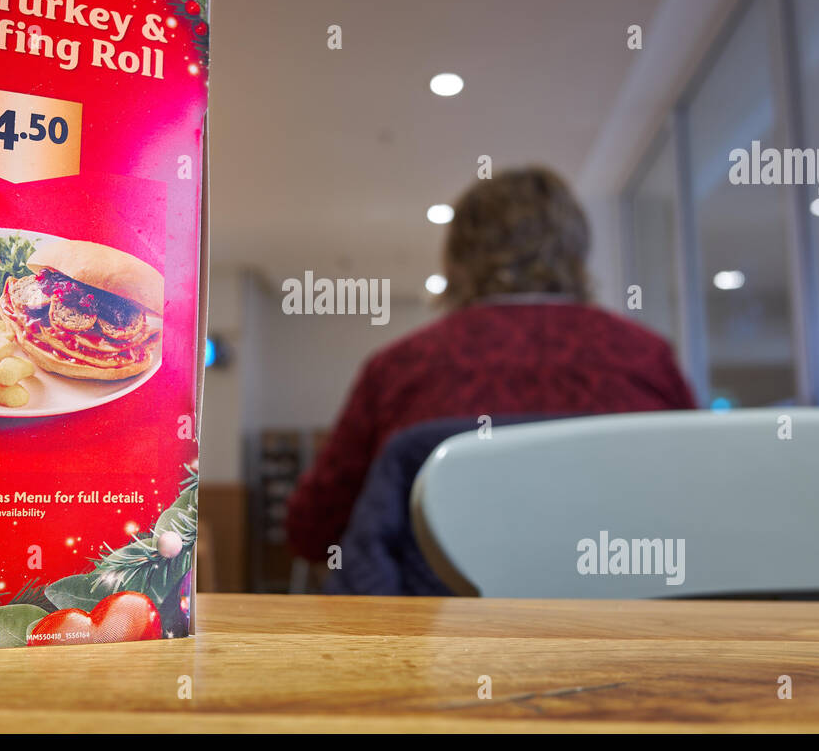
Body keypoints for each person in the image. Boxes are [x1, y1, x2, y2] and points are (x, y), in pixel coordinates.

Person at [285, 166, 696, 564]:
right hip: (627, 625)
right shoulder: (646, 357)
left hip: (437, 629)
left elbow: (312, 528)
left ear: (456, 261)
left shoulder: (398, 369)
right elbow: (702, 504)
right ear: (577, 255)